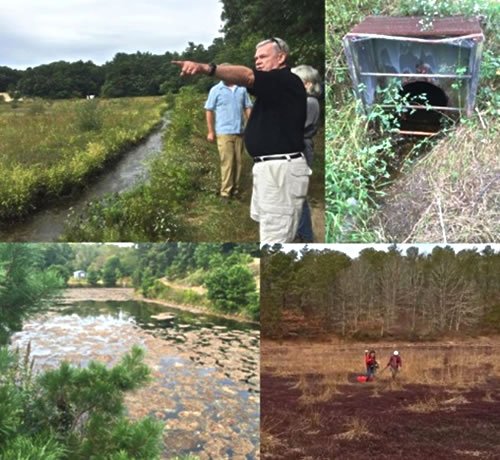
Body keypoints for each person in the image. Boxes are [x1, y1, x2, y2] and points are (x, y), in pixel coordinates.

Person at [172, 37, 310, 243]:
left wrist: (205, 68)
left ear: (281, 57)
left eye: (263, 56)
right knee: (272, 227)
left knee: (276, 239)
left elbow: (247, 76)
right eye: (256, 58)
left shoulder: (286, 80)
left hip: (280, 171)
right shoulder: (273, 87)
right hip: (269, 169)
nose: (258, 61)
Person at [204, 70, 253, 200]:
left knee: (238, 162)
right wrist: (210, 131)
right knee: (227, 162)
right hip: (223, 132)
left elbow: (247, 107)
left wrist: (252, 125)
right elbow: (209, 110)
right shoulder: (216, 90)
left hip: (239, 131)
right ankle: (225, 193)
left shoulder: (241, 89)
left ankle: (235, 190)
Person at [291, 65, 321, 242]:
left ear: (307, 84)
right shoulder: (303, 101)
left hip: (302, 148)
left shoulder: (310, 103)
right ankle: (299, 231)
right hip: (298, 147)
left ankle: (305, 234)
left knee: (298, 194)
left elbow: (296, 128)